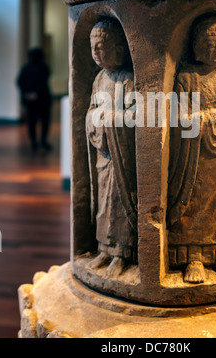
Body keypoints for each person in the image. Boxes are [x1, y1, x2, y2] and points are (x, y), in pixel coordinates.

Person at [168, 15, 216, 284]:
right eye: (210, 43)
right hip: (194, 157)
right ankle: (194, 258)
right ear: (197, 45)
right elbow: (178, 117)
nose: (215, 49)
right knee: (192, 202)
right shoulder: (187, 77)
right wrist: (198, 120)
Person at [86, 18, 137, 277]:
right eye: (93, 47)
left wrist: (112, 119)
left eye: (102, 47)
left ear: (118, 48)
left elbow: (134, 116)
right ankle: (104, 249)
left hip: (122, 156)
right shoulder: (99, 80)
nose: (96, 53)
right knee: (104, 203)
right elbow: (91, 113)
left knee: (119, 200)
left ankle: (122, 253)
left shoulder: (129, 80)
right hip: (104, 154)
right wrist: (99, 119)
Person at [17, 48, 52, 151]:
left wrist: (28, 93)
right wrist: (34, 93)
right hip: (42, 99)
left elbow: (20, 82)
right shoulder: (43, 67)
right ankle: (42, 141)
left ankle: (34, 142)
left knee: (31, 122)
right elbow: (43, 82)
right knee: (43, 121)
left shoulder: (26, 68)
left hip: (32, 100)